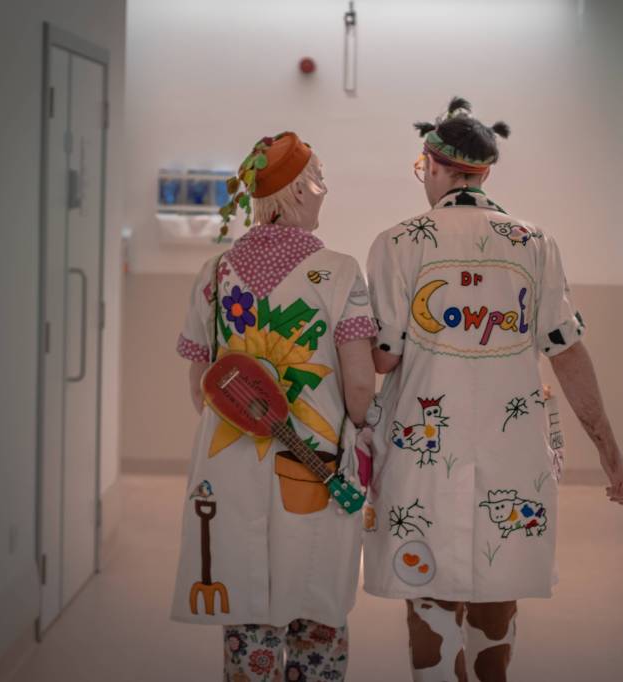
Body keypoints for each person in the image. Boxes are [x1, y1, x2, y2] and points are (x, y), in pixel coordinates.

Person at [363, 98, 623, 682]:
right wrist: (611, 456)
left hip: (422, 455)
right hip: (512, 459)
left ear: (432, 165)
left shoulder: (397, 243)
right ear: (485, 172)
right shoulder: (534, 243)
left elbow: (384, 357)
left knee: (429, 599)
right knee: (497, 603)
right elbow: (567, 351)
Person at [171, 131, 377, 681]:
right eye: (321, 179)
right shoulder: (339, 272)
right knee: (317, 608)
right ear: (301, 190)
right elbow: (360, 382)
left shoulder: (215, 273)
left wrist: (242, 424)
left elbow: (200, 382)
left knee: (246, 609)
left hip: (228, 467)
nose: (326, 189)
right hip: (317, 466)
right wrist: (363, 430)